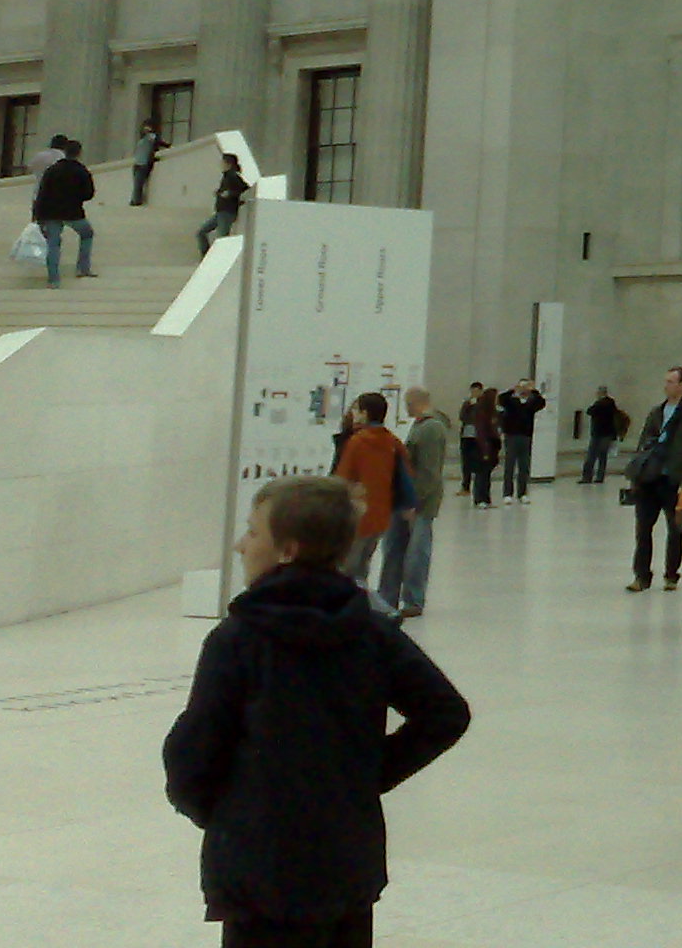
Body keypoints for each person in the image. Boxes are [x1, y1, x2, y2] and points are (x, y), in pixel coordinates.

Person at [164, 474, 471, 945]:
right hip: (344, 864)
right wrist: (363, 777)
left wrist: (231, 811)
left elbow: (193, 753)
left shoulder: (239, 639)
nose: (241, 545)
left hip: (260, 866)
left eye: (252, 532)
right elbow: (445, 713)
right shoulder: (371, 633)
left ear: (288, 550)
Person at [626, 366, 682, 592]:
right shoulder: (656, 412)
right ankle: (641, 575)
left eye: (671, 382)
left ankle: (671, 574)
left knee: (675, 528)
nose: (666, 386)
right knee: (643, 528)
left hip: (673, 479)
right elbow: (643, 441)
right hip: (650, 477)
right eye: (666, 381)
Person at [377, 388, 448, 621]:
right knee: (393, 548)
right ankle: (387, 597)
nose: (405, 407)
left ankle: (413, 600)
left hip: (419, 502)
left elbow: (429, 471)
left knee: (417, 552)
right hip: (405, 499)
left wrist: (415, 501)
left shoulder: (431, 428)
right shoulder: (420, 426)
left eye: (408, 402)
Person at [331, 392, 407, 595]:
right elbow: (405, 474)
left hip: (356, 514)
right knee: (362, 565)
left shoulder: (357, 442)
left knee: (346, 569)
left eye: (356, 410)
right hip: (380, 514)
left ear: (364, 413)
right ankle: (360, 602)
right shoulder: (393, 441)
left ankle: (350, 604)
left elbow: (341, 480)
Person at [33, 136, 97, 288]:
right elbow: (89, 194)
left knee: (53, 244)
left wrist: (38, 215)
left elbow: (42, 193)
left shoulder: (52, 170)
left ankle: (53, 279)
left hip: (51, 212)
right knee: (87, 234)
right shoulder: (82, 171)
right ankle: (83, 268)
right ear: (79, 153)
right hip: (73, 212)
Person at [497, 377, 546, 504]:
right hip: (511, 436)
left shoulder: (531, 402)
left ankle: (522, 493)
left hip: (526, 436)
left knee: (524, 466)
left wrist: (534, 391)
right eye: (522, 386)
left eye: (526, 386)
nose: (524, 389)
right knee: (509, 465)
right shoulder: (510, 400)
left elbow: (542, 403)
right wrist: (513, 391)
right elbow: (501, 399)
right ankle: (507, 493)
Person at [197, 153, 248, 255]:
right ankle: (207, 255)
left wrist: (230, 194)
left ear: (228, 164)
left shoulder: (233, 176)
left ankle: (219, 257)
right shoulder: (227, 176)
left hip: (227, 211)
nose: (221, 164)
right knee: (201, 232)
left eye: (223, 162)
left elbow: (244, 189)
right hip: (221, 211)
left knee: (222, 239)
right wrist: (219, 192)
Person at [460, 385, 498, 509]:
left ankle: (486, 498)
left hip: (490, 445)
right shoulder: (480, 411)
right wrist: (485, 448)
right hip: (481, 445)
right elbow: (480, 430)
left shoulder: (493, 411)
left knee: (486, 474)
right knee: (481, 473)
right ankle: (479, 498)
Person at [579, 386, 622, 483]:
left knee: (592, 456)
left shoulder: (602, 403)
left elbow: (590, 411)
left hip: (599, 433)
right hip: (607, 434)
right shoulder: (610, 403)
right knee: (602, 456)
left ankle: (587, 477)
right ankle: (599, 476)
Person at [131, 120, 164, 205]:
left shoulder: (149, 137)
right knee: (137, 183)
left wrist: (167, 145)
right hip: (138, 163)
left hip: (142, 164)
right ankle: (135, 199)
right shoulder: (142, 141)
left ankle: (136, 200)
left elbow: (158, 141)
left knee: (138, 183)